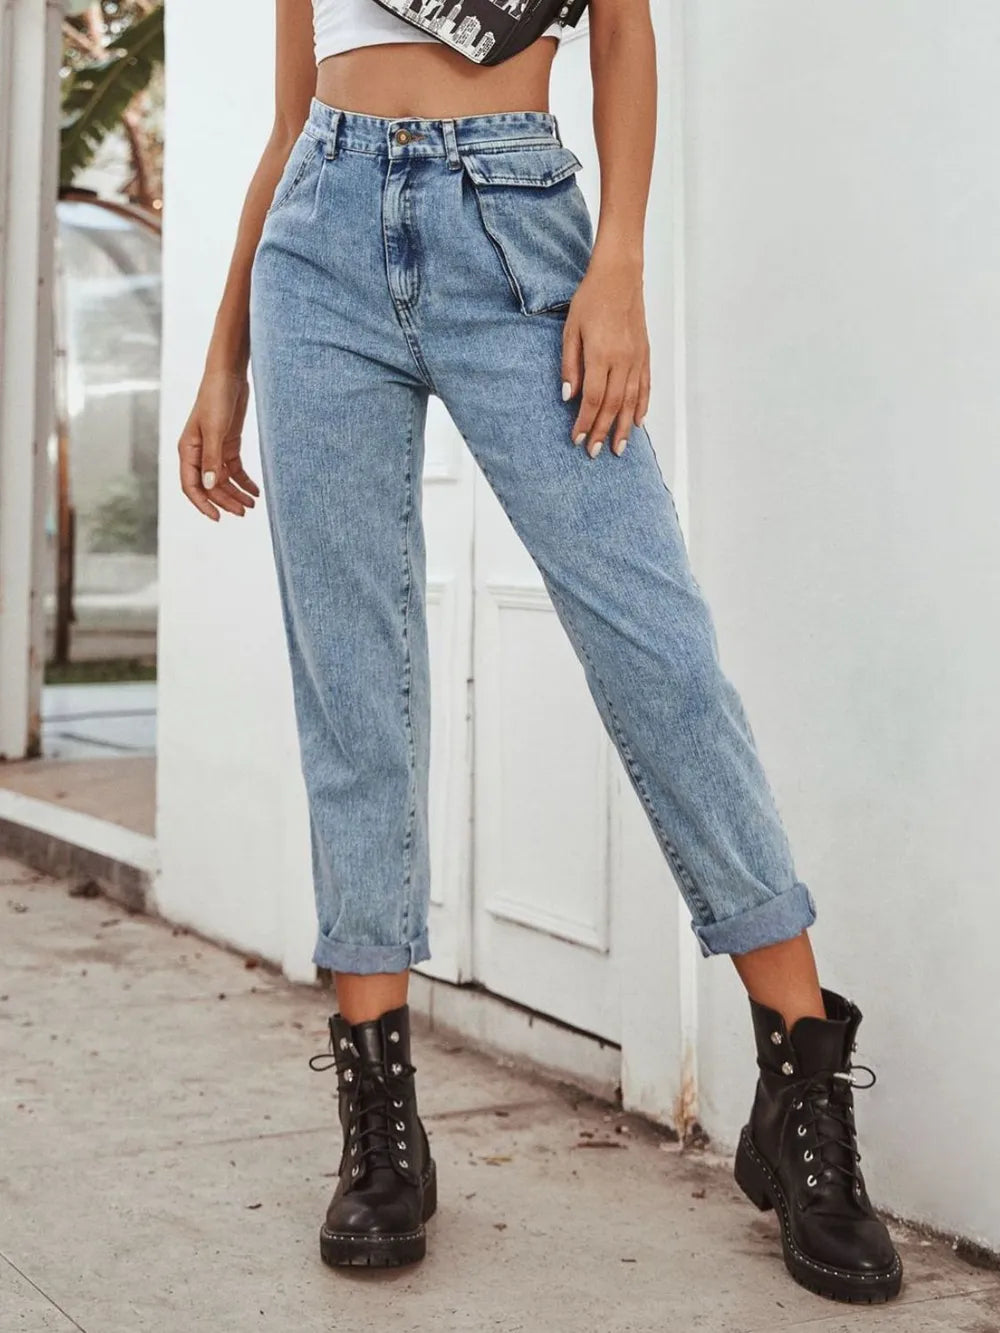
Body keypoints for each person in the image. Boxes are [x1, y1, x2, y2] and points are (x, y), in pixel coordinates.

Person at [177, 0, 902, 1304]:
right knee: (356, 682)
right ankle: (380, 1114)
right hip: (319, 238)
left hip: (515, 217)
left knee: (658, 650)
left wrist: (615, 261)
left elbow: (623, 31)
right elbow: (291, 115)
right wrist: (222, 353)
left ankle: (799, 1082)